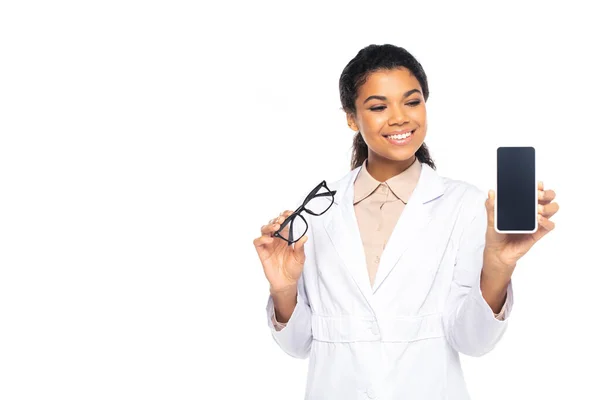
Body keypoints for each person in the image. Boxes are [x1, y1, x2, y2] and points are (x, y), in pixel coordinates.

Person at [253, 44, 559, 400]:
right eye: (378, 107)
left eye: (412, 102)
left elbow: (472, 341)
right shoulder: (318, 212)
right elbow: (298, 345)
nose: (399, 118)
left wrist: (497, 266)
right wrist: (283, 289)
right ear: (352, 118)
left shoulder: (466, 206)